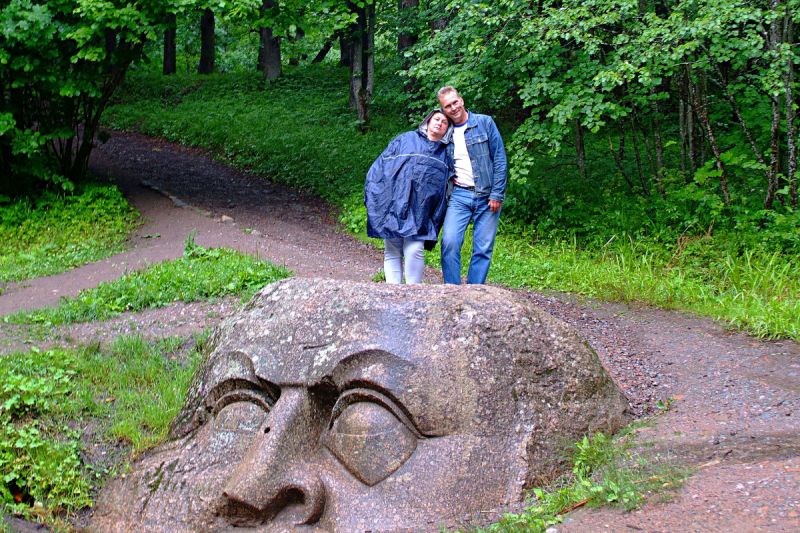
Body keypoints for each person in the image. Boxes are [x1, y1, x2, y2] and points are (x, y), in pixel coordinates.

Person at [364, 109, 452, 284]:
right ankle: (392, 292)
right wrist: (376, 195)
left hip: (422, 211)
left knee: (414, 250)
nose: (439, 123)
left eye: (444, 122)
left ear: (447, 129)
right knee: (392, 249)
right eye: (436, 119)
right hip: (394, 204)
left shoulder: (447, 152)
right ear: (428, 120)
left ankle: (413, 293)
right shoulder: (406, 139)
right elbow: (382, 166)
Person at [437, 86, 507, 284]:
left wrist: (497, 193)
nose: (453, 108)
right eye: (447, 106)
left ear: (462, 100)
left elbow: (500, 159)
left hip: (487, 196)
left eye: (455, 102)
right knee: (449, 243)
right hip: (459, 195)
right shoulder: (446, 132)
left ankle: (475, 294)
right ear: (443, 110)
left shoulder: (485, 123)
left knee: (483, 248)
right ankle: (452, 291)